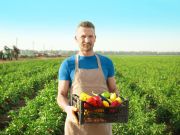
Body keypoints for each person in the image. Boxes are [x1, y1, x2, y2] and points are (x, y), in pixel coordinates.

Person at [57, 21, 118, 135]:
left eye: (90, 36)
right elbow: (61, 94)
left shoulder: (107, 62)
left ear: (95, 38)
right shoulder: (68, 64)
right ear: (76, 39)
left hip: (102, 125)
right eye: (83, 36)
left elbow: (113, 89)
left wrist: (114, 104)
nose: (87, 40)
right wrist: (67, 109)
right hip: (76, 126)